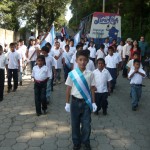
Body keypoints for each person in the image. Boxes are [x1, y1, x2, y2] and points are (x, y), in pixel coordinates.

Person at [65, 50, 97, 150]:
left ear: (87, 61)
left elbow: (92, 88)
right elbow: (68, 89)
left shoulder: (90, 74)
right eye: (80, 60)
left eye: (84, 60)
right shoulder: (72, 74)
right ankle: (76, 142)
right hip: (74, 102)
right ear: (76, 61)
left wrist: (93, 102)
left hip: (86, 103)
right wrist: (67, 103)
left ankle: (86, 141)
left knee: (86, 124)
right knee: (75, 124)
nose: (82, 62)